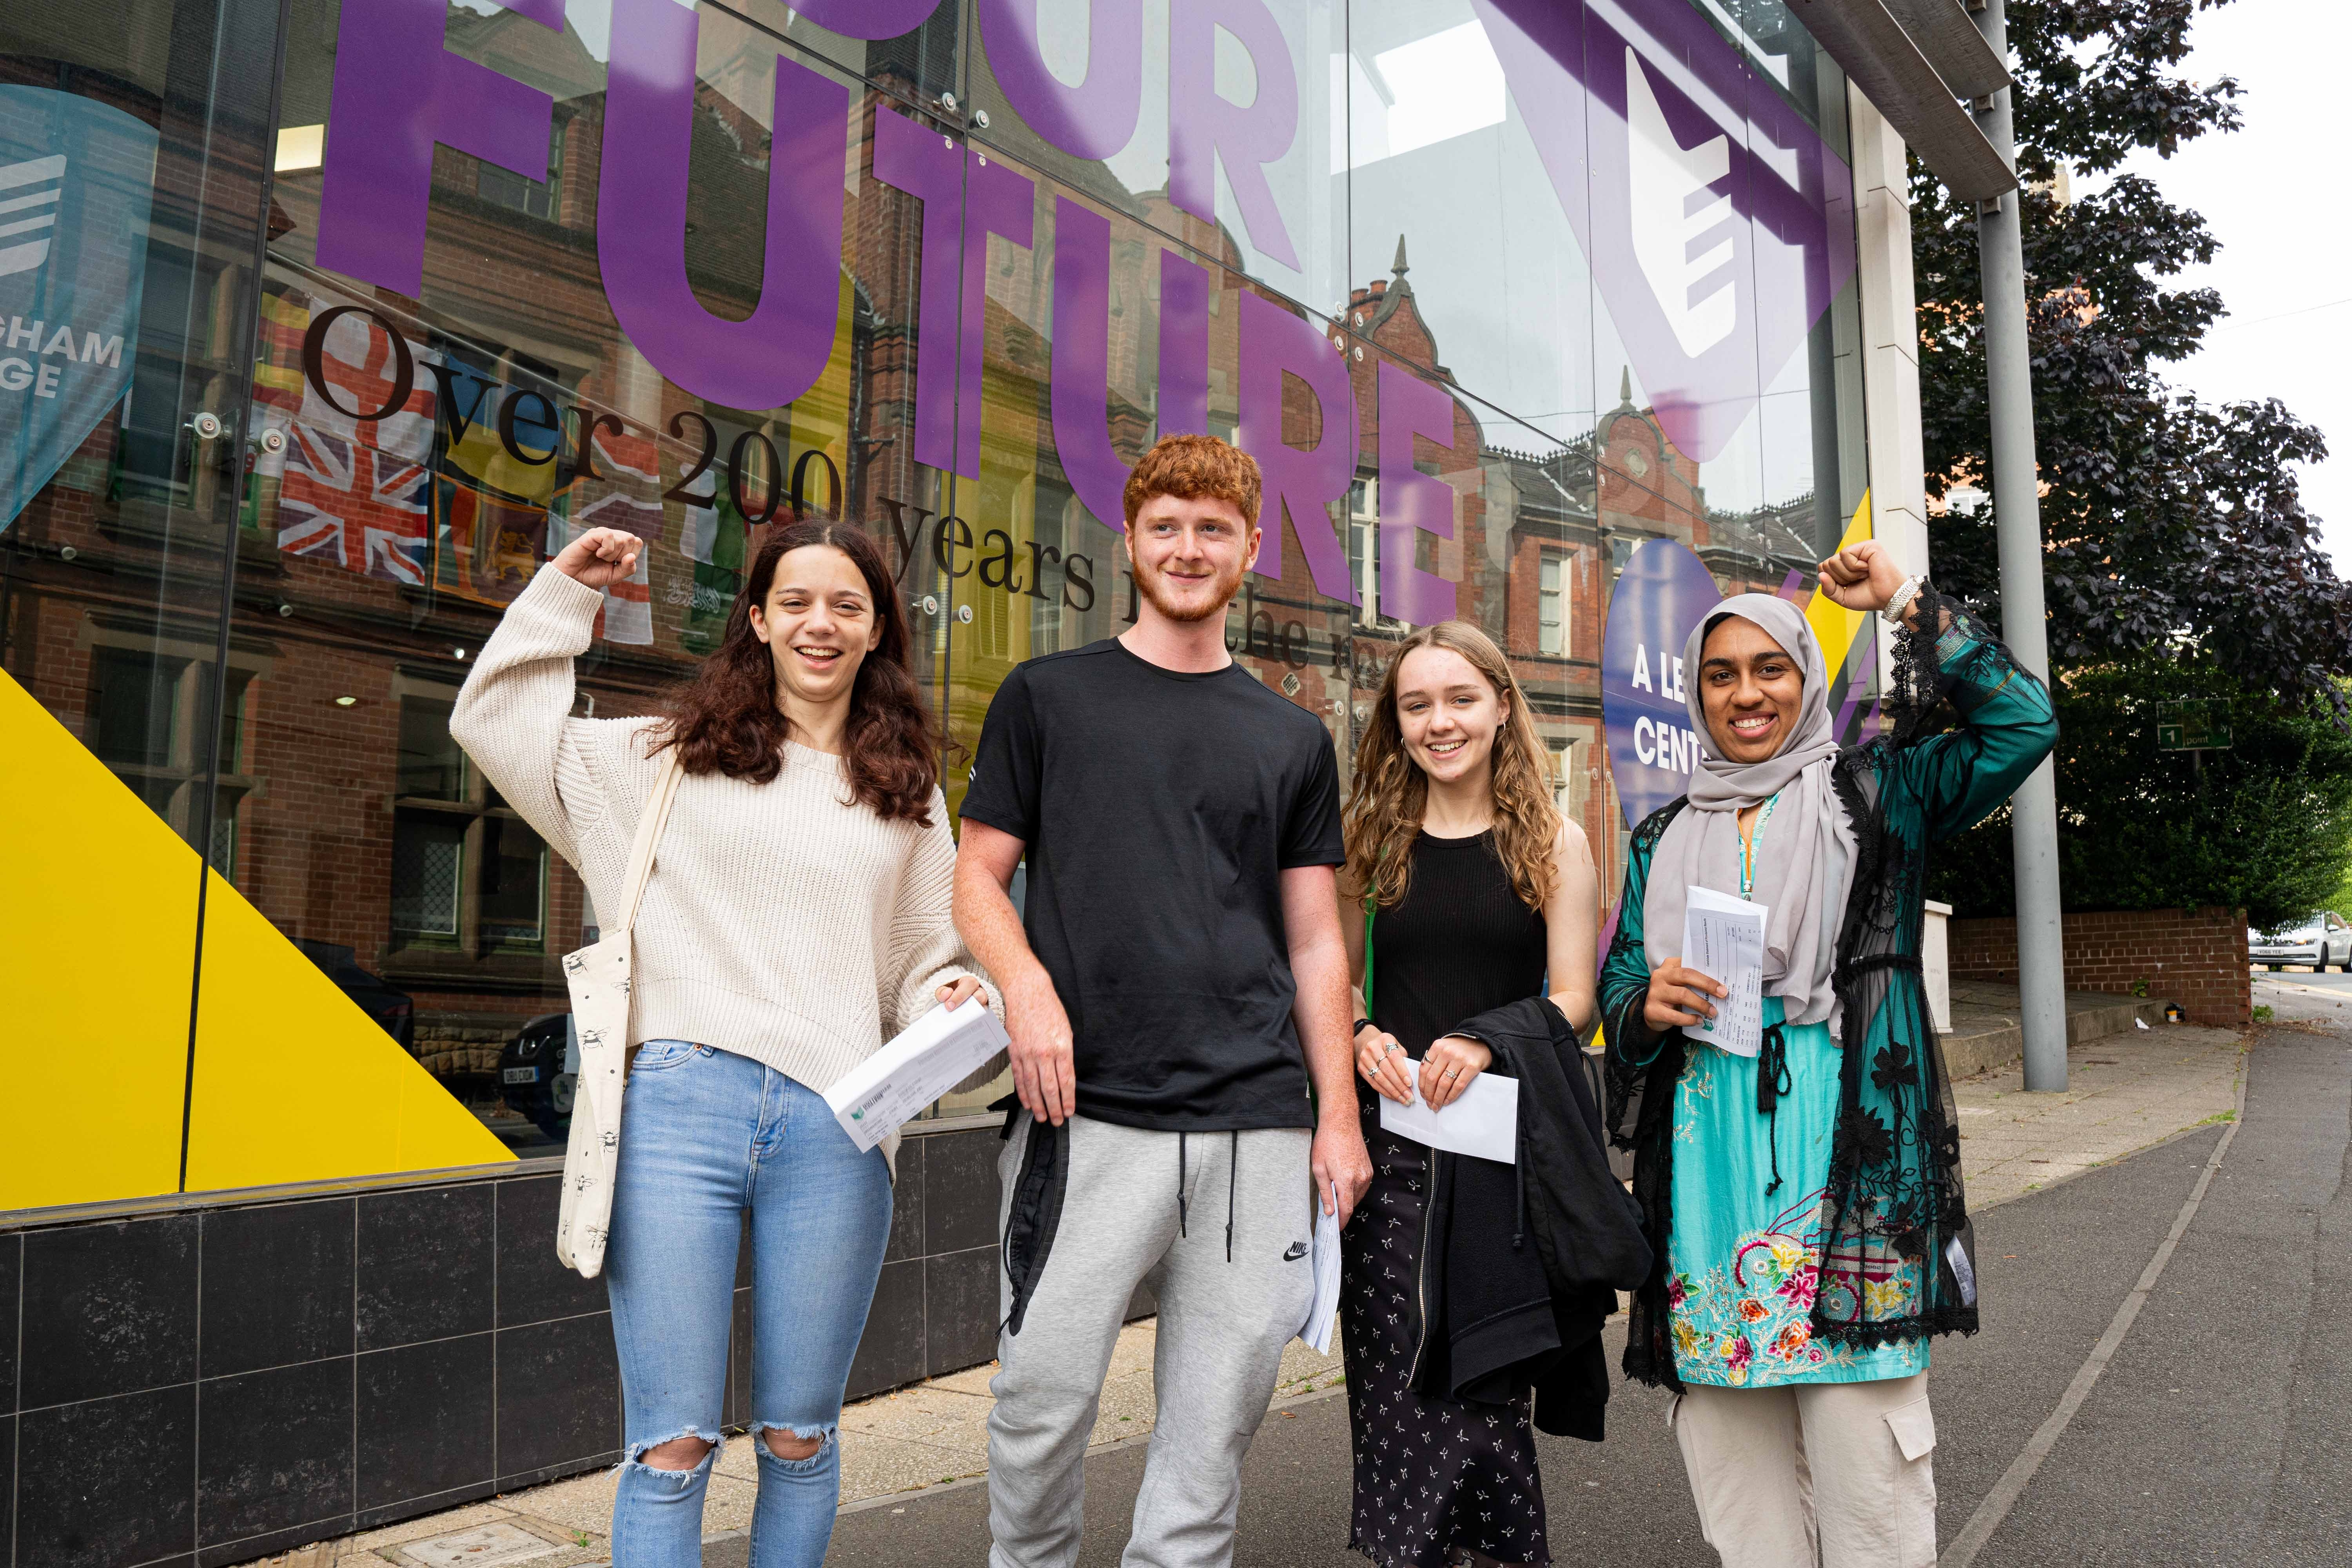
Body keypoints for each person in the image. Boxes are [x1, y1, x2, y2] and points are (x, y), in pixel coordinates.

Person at [450, 519, 997, 1568]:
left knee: (802, 1437)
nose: (820, 624)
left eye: (846, 605)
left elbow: (923, 961)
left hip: (836, 1129)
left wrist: (951, 992)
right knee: (673, 1444)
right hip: (675, 1109)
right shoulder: (658, 758)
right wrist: (567, 593)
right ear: (757, 618)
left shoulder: (907, 792)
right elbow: (496, 720)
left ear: (878, 628)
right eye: (795, 602)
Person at [954, 433, 1375, 1568]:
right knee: (1038, 1406)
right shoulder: (1048, 697)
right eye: (1168, 526)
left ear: (1245, 554)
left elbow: (1315, 939)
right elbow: (976, 877)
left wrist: (1337, 1117)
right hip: (1084, 1116)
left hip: (1255, 1128)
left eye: (1215, 529)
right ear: (1131, 541)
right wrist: (1028, 989)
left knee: (1210, 1437)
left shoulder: (1290, 736)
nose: (1189, 547)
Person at [1599, 542, 2058, 1568]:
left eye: (1771, 668)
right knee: (1748, 1533)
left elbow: (2024, 722)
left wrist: (1904, 600)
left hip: (1853, 1210)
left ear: (1807, 679)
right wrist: (1646, 1006)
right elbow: (1622, 982)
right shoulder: (1659, 836)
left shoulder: (1884, 794)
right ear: (1697, 696)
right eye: (1721, 674)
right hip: (1711, 1222)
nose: (1746, 693)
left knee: (1876, 1524)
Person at [1336, 620, 1620, 1568]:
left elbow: (1575, 1000)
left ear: (1503, 705)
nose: (1439, 721)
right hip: (1391, 1155)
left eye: (1461, 698)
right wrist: (1361, 1031)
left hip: (1502, 1156)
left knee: (1487, 1383)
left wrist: (1485, 1040)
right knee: (1394, 1383)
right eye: (1417, 704)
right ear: (1396, 720)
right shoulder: (1368, 837)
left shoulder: (1553, 838)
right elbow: (1336, 983)